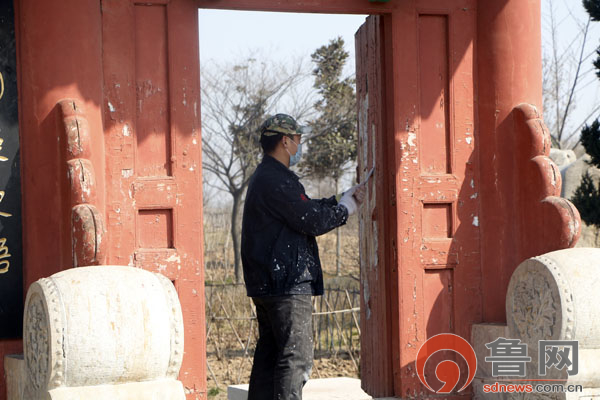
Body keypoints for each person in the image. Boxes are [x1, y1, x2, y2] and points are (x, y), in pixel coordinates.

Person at [241, 113, 366, 400]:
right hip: (286, 283)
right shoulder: (277, 179)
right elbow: (310, 219)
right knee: (295, 359)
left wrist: (338, 199)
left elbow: (302, 207)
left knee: (270, 357)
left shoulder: (266, 177)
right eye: (298, 139)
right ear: (285, 141)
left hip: (269, 283)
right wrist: (346, 209)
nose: (300, 144)